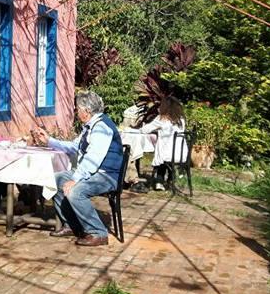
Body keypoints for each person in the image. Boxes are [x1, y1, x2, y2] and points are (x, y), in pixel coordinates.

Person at [32, 91, 123, 247]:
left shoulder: (101, 127)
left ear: (86, 111)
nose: (76, 111)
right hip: (95, 172)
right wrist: (49, 140)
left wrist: (75, 179)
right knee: (56, 179)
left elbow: (93, 160)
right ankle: (72, 224)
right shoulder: (90, 126)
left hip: (106, 175)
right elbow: (75, 146)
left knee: (76, 191)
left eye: (77, 109)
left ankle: (98, 232)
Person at [139, 96, 187, 191]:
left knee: (161, 154)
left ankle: (159, 181)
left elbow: (145, 130)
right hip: (181, 154)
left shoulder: (162, 119)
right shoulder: (181, 120)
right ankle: (170, 180)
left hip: (167, 155)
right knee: (166, 152)